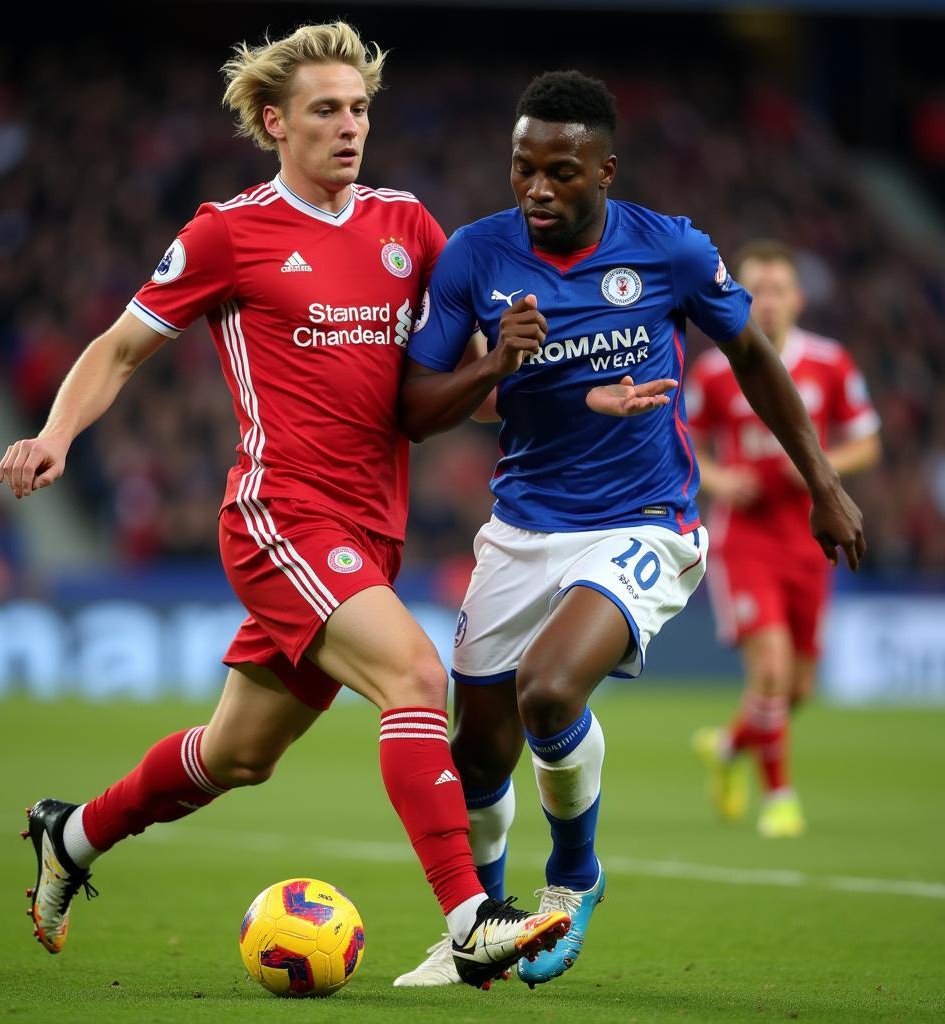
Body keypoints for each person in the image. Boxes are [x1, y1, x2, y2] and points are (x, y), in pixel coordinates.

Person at [0, 23, 569, 990]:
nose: (350, 128)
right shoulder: (228, 232)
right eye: (326, 111)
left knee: (236, 756)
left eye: (359, 109)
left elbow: (461, 372)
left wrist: (567, 388)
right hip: (280, 515)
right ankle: (472, 918)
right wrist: (57, 434)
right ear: (275, 123)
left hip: (370, 529)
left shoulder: (408, 226)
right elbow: (120, 348)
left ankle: (73, 834)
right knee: (415, 677)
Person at [391, 70, 867, 988]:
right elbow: (414, 409)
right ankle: (478, 937)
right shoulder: (475, 258)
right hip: (522, 525)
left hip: (644, 521)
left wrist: (822, 484)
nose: (537, 188)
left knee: (548, 693)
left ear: (605, 169)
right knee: (477, 750)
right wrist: (496, 364)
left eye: (561, 172)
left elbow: (755, 358)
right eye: (523, 169)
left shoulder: (671, 251)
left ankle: (573, 878)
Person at [686, 240, 880, 838]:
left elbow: (867, 442)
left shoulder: (830, 362)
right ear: (740, 296)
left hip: (809, 538)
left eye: (777, 290)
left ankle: (727, 747)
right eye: (756, 291)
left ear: (797, 298)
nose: (766, 302)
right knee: (768, 669)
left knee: (796, 688)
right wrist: (719, 479)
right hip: (746, 539)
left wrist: (821, 466)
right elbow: (681, 439)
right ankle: (780, 798)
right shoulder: (716, 369)